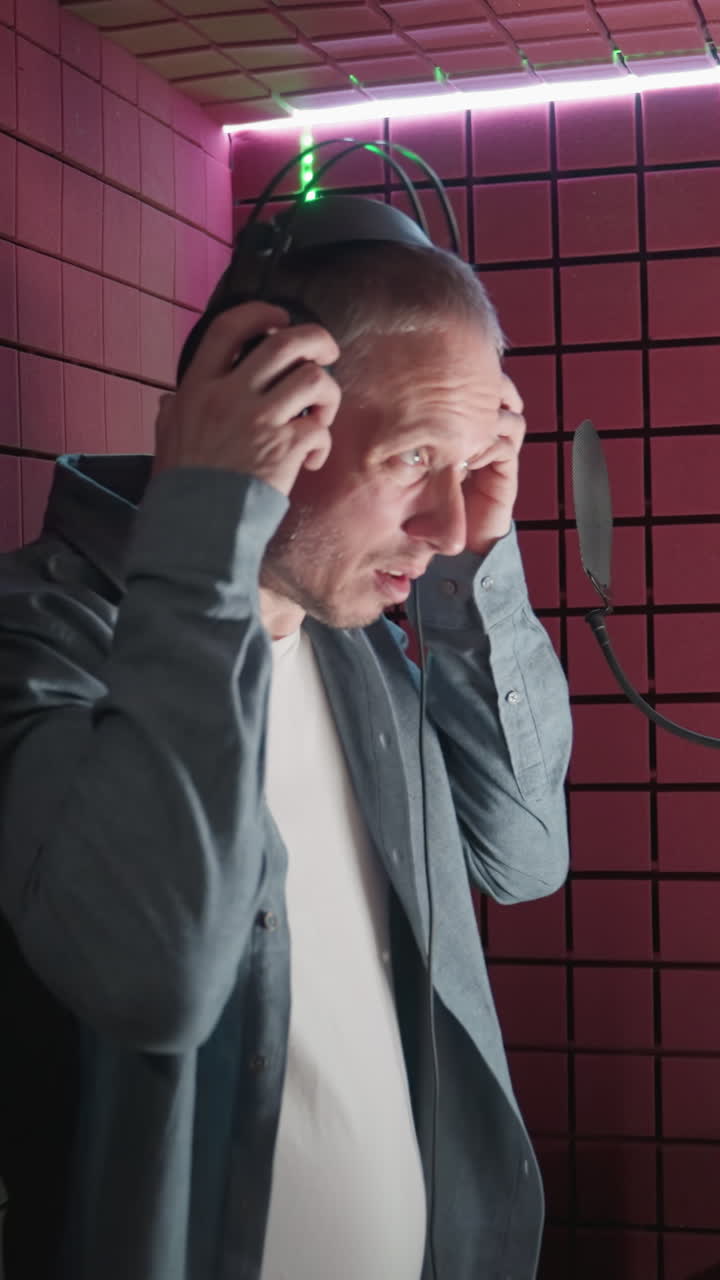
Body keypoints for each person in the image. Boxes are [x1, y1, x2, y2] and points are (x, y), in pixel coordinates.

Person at [0, 215, 572, 1280]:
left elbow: (525, 852)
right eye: (411, 458)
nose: (446, 521)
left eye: (471, 462)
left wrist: (477, 563)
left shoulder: (354, 648)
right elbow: (155, 973)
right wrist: (208, 514)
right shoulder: (40, 637)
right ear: (269, 410)